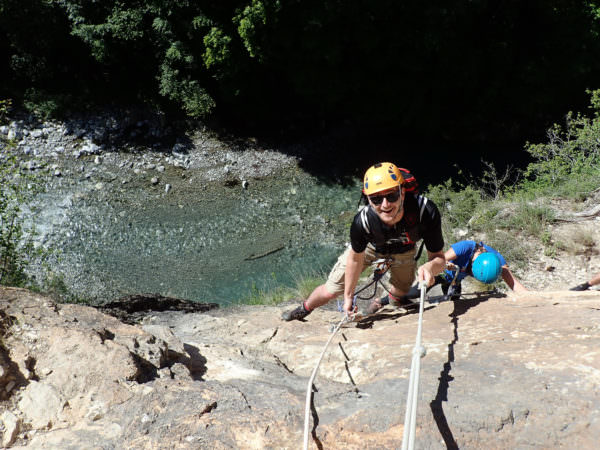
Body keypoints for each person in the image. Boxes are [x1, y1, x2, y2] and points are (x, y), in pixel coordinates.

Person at [282, 162, 446, 321]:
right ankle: (304, 308)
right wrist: (348, 297)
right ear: (368, 199)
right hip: (371, 247)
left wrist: (430, 267)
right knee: (331, 291)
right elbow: (355, 258)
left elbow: (439, 258)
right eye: (376, 199)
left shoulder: (425, 211)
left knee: (402, 288)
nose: (385, 205)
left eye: (391, 195)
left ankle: (383, 302)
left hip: (404, 249)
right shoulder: (363, 221)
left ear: (402, 192)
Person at [399, 240, 528, 302]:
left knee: (454, 300)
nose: (470, 272)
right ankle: (384, 301)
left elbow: (514, 284)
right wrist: (445, 264)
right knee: (415, 292)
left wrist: (531, 298)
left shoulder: (498, 263)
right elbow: (439, 260)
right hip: (443, 274)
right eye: (471, 271)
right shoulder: (465, 247)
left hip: (456, 280)